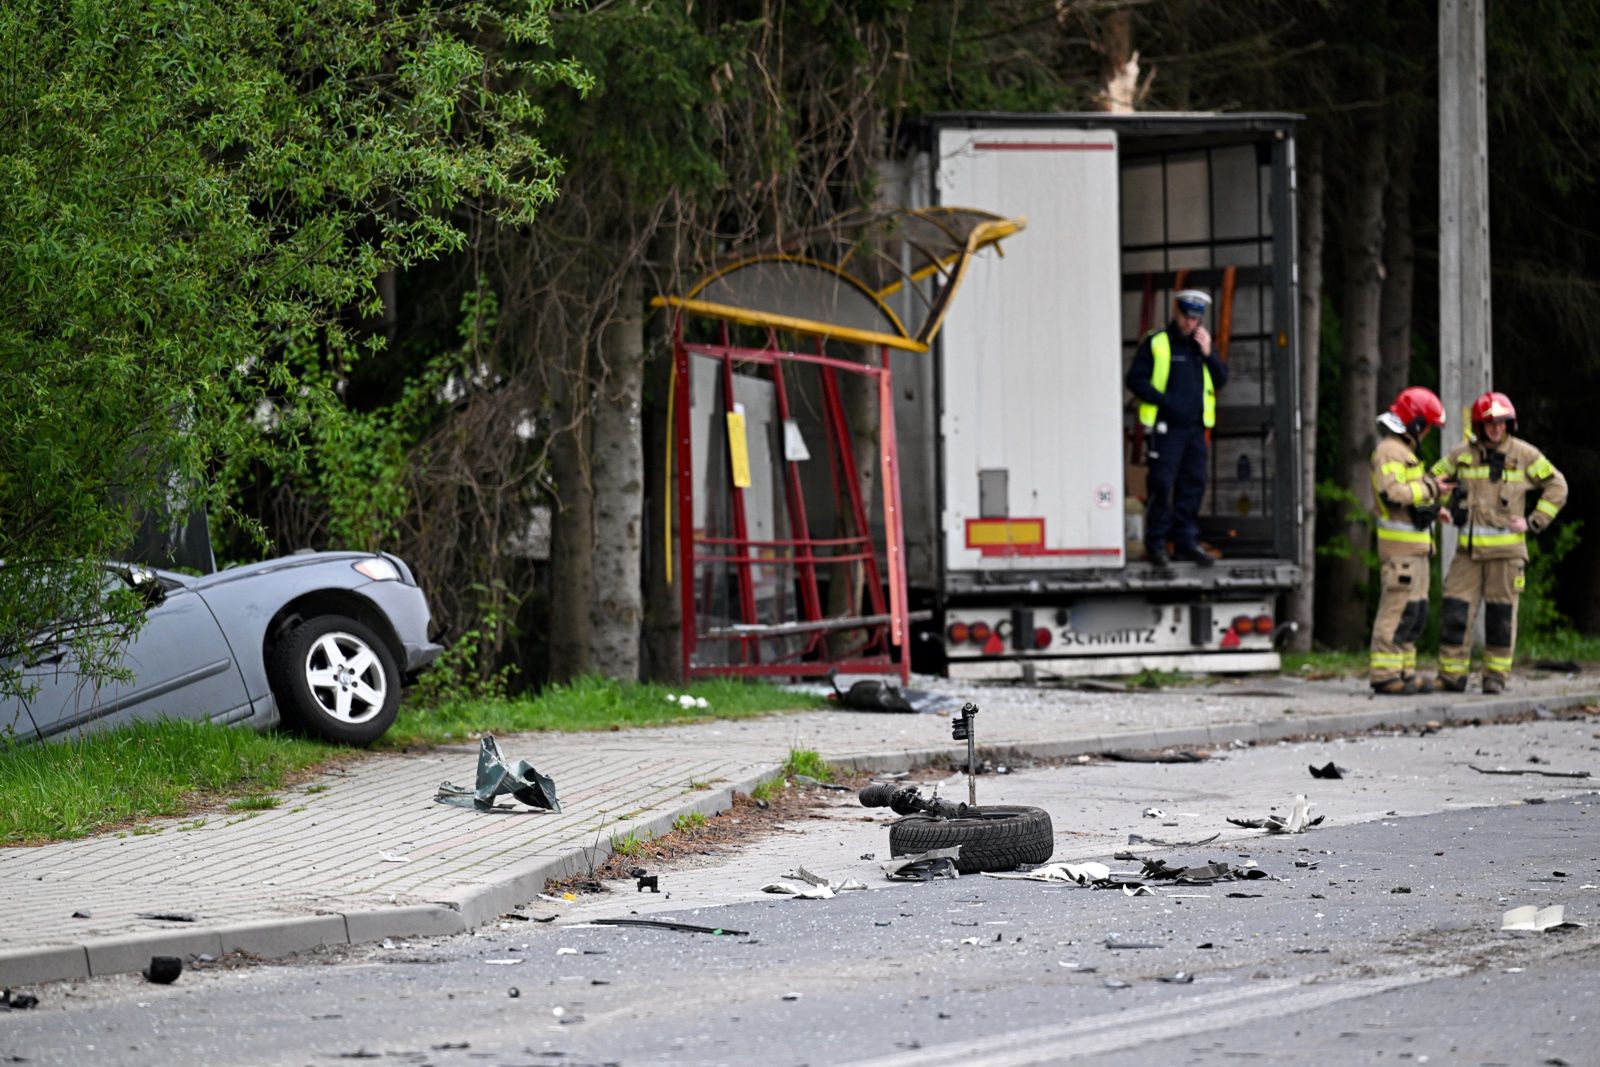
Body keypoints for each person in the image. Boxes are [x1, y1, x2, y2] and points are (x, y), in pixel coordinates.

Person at [1430, 391, 1567, 694]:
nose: (1497, 429)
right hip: (1468, 553)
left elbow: (1557, 485)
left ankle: (1495, 677)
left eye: (1502, 423)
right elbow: (1432, 480)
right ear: (1479, 426)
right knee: (1455, 611)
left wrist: (1533, 521)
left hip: (1506, 555)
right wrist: (1443, 502)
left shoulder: (1524, 454)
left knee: (1500, 618)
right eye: (1490, 424)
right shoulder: (1461, 453)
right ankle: (1451, 675)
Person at [1126, 289, 1228, 567]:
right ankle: (1157, 543)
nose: (1190, 324)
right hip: (1166, 427)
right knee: (1161, 483)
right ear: (1176, 312)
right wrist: (1165, 402)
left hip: (1195, 429)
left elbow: (1221, 378)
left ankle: (1186, 542)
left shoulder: (1201, 345)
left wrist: (1209, 353)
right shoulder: (1158, 342)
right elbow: (1136, 379)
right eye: (1186, 317)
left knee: (1193, 486)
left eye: (1195, 319)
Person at [1368, 386, 1449, 695]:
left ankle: (1404, 671)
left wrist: (1433, 508)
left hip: (1416, 548)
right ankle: (1385, 674)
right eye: (1427, 426)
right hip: (1400, 551)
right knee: (1396, 611)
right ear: (1415, 424)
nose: (1428, 433)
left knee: (1414, 613)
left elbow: (1410, 498)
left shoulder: (1404, 453)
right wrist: (1431, 489)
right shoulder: (1390, 451)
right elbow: (1394, 493)